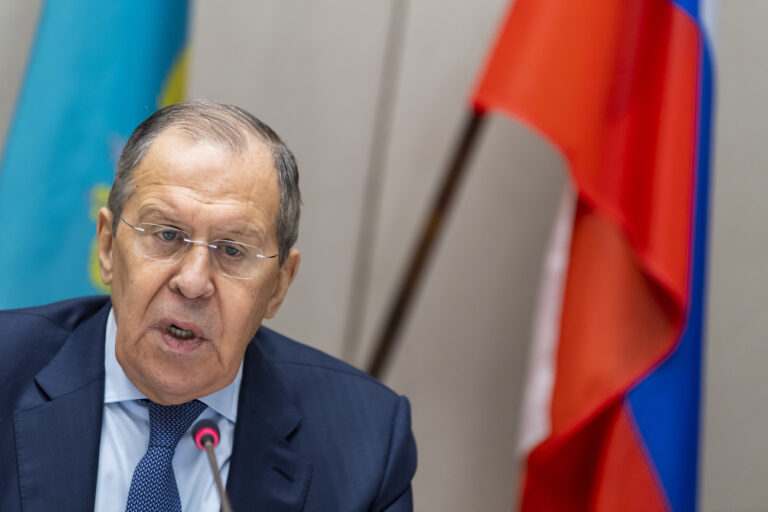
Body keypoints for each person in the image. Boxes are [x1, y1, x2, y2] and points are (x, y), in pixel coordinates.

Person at [0, 100, 416, 511]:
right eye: (166, 235)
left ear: (278, 286)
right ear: (107, 246)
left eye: (232, 250)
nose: (194, 282)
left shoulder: (366, 444)